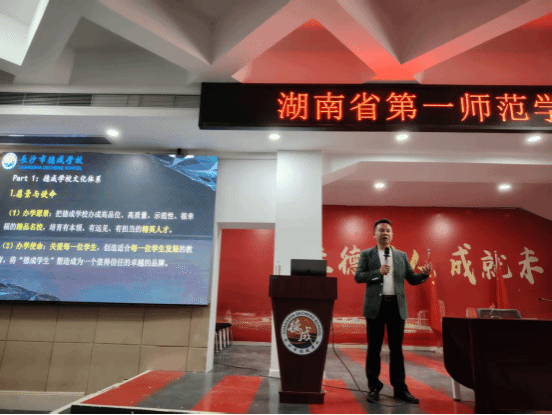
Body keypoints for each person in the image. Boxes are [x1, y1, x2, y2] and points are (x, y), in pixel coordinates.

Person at [354, 219, 432, 404]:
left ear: (392, 234)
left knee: (396, 350)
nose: (385, 233)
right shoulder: (367, 254)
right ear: (374, 234)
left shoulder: (401, 256)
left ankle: (399, 388)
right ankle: (374, 387)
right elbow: (358, 276)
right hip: (375, 307)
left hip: (396, 307)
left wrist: (424, 275)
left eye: (388, 230)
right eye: (381, 230)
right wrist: (377, 272)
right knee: (374, 349)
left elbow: (411, 278)